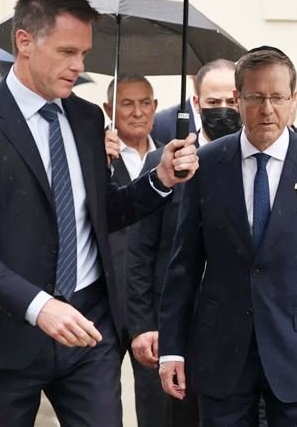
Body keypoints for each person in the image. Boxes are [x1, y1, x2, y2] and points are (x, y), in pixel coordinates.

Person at [0, 0, 198, 427]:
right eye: (67, 52)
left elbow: (105, 211)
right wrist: (38, 305)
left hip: (91, 333)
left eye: (84, 54)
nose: (78, 66)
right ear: (24, 42)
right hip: (8, 337)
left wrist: (160, 179)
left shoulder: (87, 119)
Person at [157, 49, 297, 427]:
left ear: (294, 100)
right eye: (255, 97)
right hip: (221, 349)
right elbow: (183, 265)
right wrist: (171, 348)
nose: (267, 109)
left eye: (278, 97)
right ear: (238, 99)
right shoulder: (208, 164)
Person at [126, 58, 241, 427]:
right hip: (171, 325)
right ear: (195, 103)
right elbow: (139, 250)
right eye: (213, 102)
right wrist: (143, 325)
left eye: (231, 101)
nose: (223, 110)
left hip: (235, 328)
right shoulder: (163, 161)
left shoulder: (255, 163)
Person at [102, 74, 171, 427]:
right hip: (104, 303)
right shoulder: (98, 154)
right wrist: (98, 161)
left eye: (145, 103)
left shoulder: (171, 158)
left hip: (152, 305)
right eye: (127, 104)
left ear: (155, 107)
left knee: (157, 405)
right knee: (99, 406)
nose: (137, 112)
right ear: (109, 109)